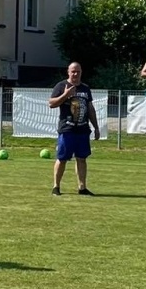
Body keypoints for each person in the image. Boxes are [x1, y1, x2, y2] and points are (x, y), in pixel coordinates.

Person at [48, 61, 100, 195]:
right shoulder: (61, 86)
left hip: (82, 129)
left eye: (78, 71)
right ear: (68, 72)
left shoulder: (85, 88)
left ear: (81, 72)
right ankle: (56, 187)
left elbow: (90, 109)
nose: (75, 74)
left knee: (82, 158)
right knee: (62, 158)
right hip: (67, 129)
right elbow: (51, 103)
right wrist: (65, 95)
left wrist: (96, 127)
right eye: (73, 71)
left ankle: (82, 188)